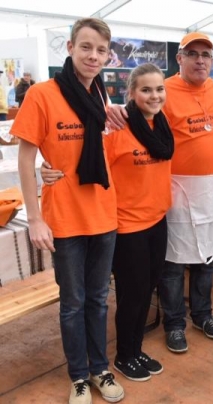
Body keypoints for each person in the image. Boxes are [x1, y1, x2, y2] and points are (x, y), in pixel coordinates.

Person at [13, 17, 124, 404]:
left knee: (98, 299)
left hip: (103, 215)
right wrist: (35, 218)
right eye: (86, 47)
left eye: (101, 50)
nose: (93, 56)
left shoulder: (102, 97)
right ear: (70, 48)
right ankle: (78, 375)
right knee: (73, 303)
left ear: (107, 56)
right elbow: (25, 159)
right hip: (64, 218)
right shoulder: (42, 94)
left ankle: (100, 368)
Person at [41, 63, 174, 382]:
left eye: (159, 89)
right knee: (132, 293)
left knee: (148, 288)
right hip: (127, 225)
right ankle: (124, 355)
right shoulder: (116, 128)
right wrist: (48, 169)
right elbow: (84, 157)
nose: (154, 96)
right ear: (131, 93)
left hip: (158, 219)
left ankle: (136, 348)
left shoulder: (162, 125)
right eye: (146, 90)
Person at [107, 32, 213, 354]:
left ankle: (203, 315)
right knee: (173, 265)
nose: (200, 60)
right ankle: (174, 324)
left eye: (206, 55)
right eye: (193, 54)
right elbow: (137, 114)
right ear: (180, 58)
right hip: (175, 190)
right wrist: (114, 109)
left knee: (206, 259)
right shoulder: (166, 90)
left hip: (211, 190)